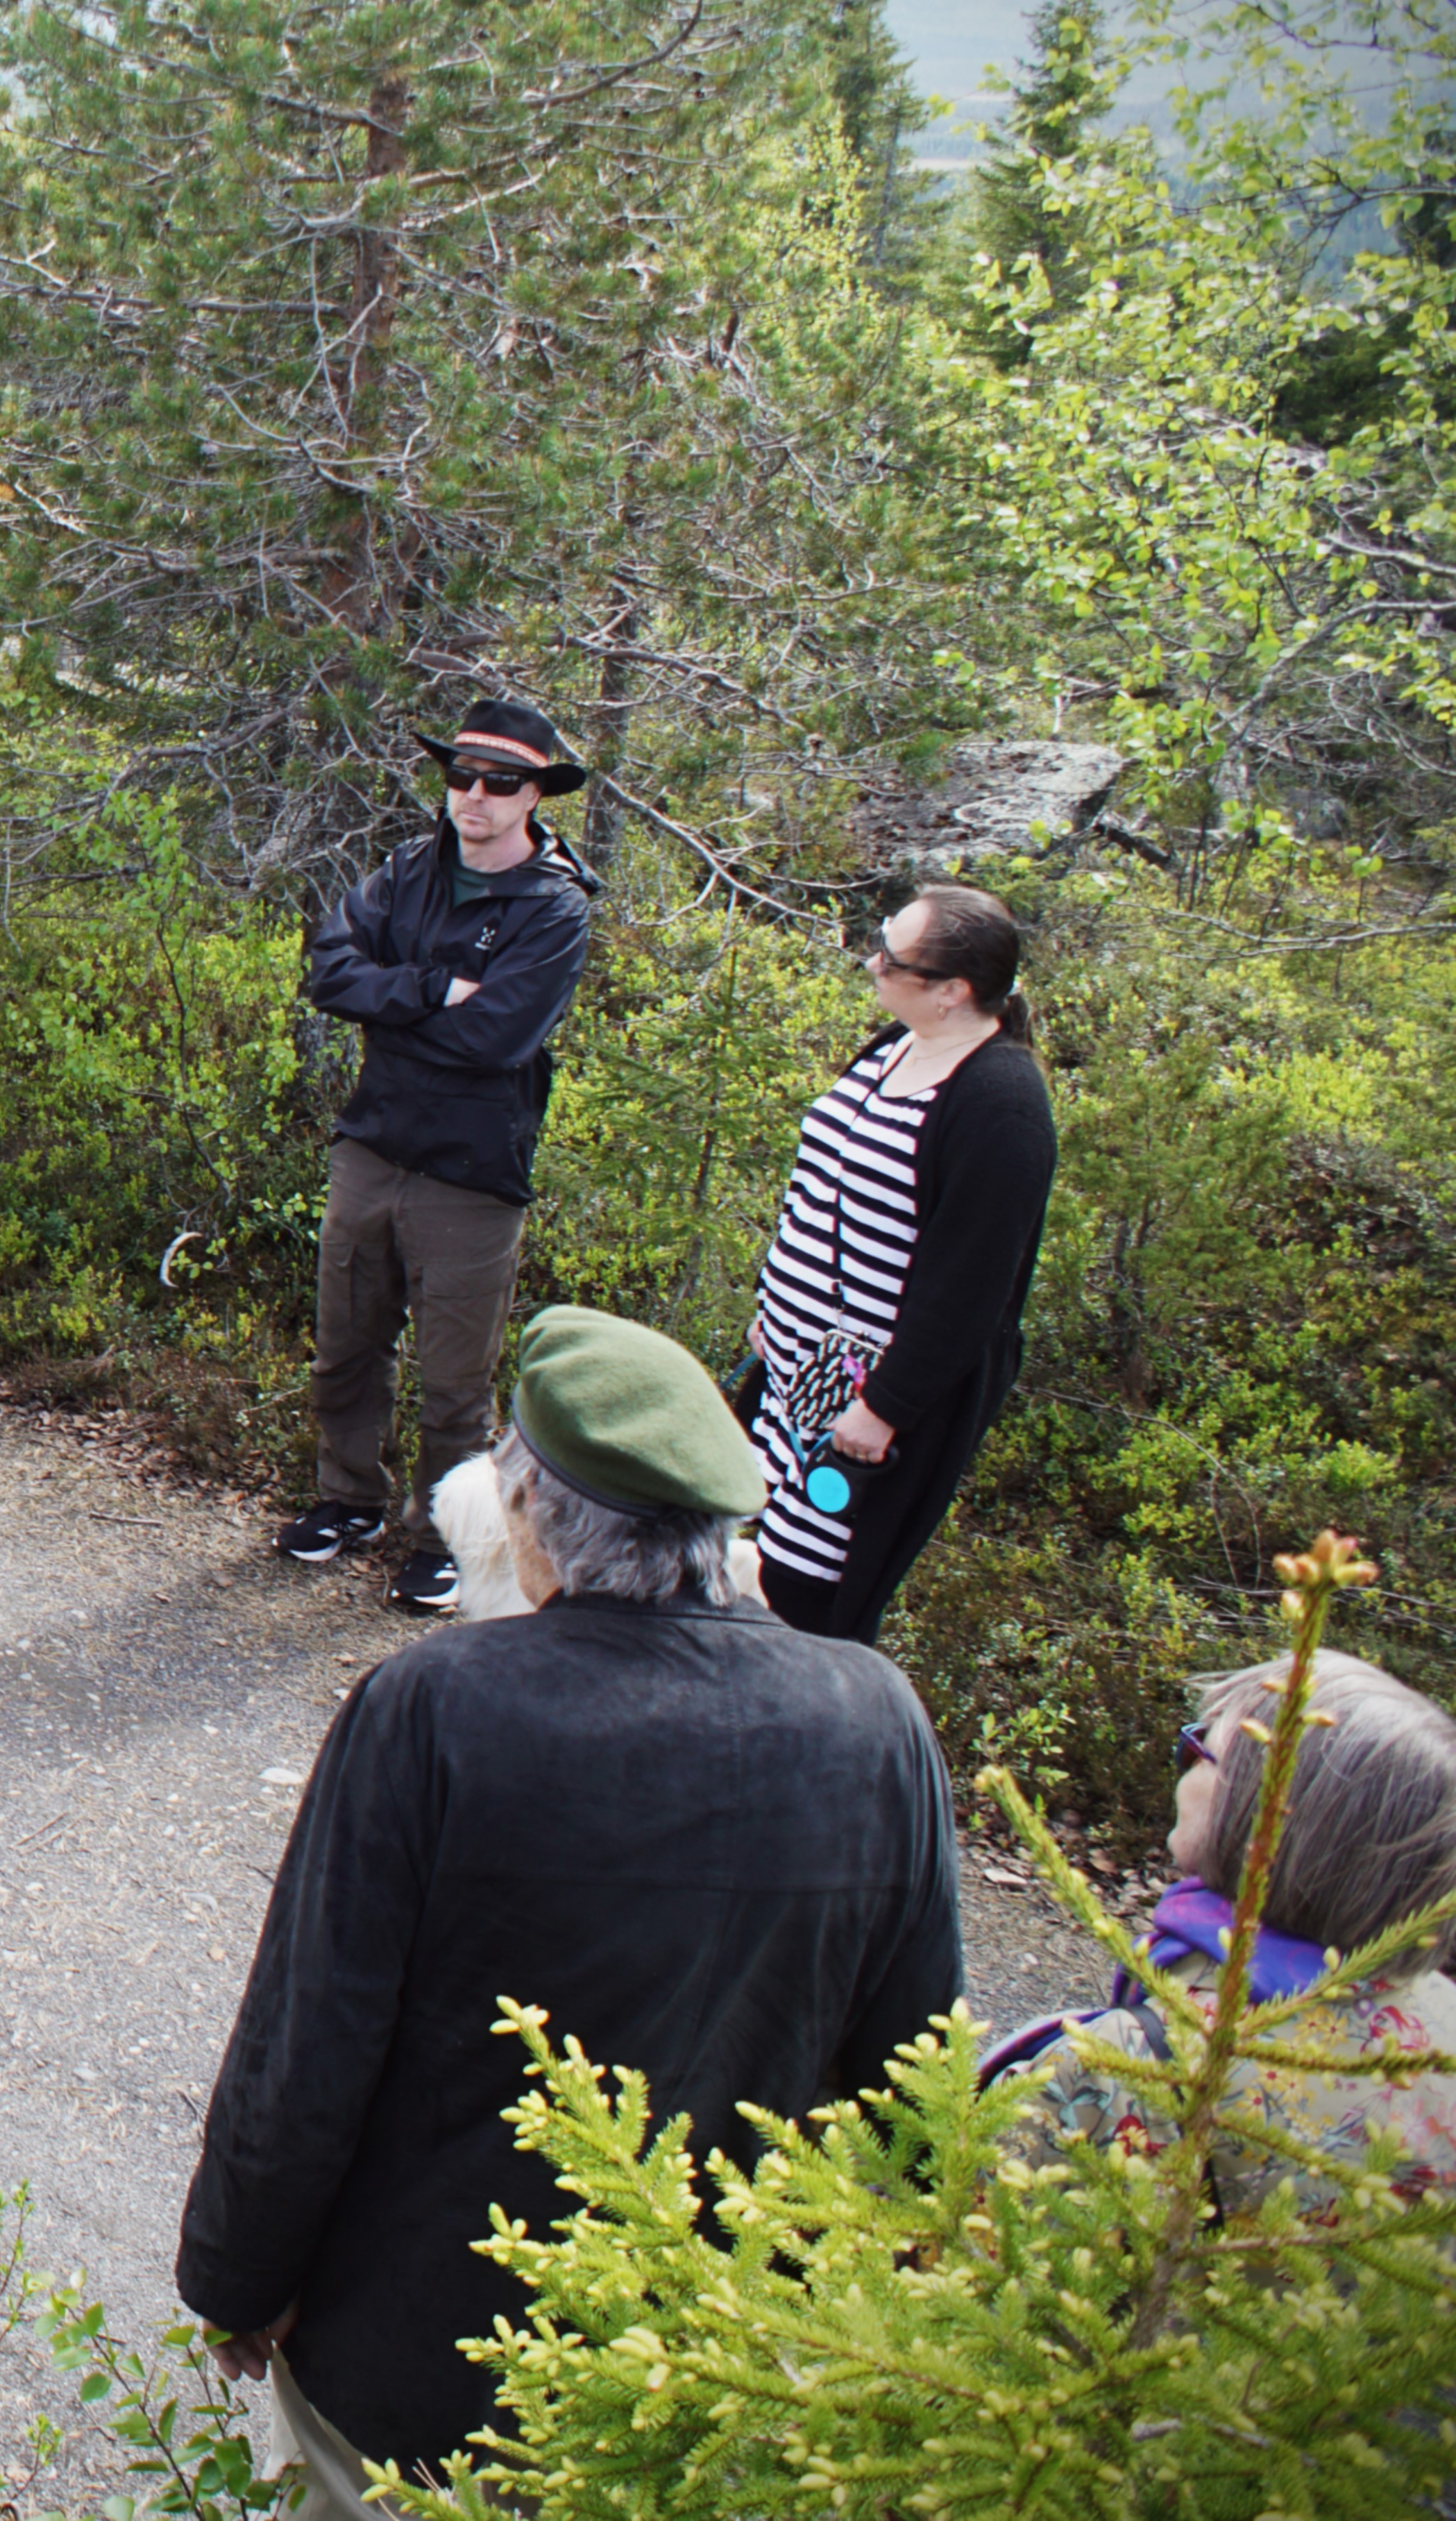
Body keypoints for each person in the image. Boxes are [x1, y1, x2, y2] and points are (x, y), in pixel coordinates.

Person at [178, 1305, 963, 2515]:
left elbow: (314, 2039)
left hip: (420, 2378)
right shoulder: (876, 1723)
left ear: (529, 1515)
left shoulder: (433, 1708)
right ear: (722, 1527)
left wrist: (239, 2276)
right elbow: (916, 2086)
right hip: (710, 2387)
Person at [276, 699, 600, 1616]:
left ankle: (444, 1538)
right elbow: (327, 969)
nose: (476, 797)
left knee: (454, 1380)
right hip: (373, 1143)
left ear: (536, 795)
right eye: (462, 776)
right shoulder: (409, 870)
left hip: (472, 1172)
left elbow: (496, 1038)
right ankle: (349, 1502)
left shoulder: (555, 908)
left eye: (501, 783)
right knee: (345, 1344)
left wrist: (390, 1009)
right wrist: (428, 989)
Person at [983, 1652, 1456, 2202]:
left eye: (1200, 1747)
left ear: (1265, 1815)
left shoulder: (1116, 2072)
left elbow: (957, 2260)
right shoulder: (1442, 2020)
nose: (1183, 1764)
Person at [742, 885, 1061, 1644]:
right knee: (739, 1553)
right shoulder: (896, 1044)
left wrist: (885, 1407)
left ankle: (796, 1748)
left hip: (866, 1405)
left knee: (805, 1592)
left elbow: (975, 1288)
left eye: (894, 957)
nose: (873, 962)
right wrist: (771, 1305)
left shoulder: (1001, 1103)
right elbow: (821, 1189)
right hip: (795, 1368)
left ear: (953, 990)